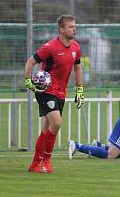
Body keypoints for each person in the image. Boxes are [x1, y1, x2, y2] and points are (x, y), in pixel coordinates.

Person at [25, 14, 84, 173]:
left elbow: (78, 68)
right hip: (46, 91)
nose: (74, 29)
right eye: (71, 26)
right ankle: (47, 161)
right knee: (56, 123)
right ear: (61, 29)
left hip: (61, 93)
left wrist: (80, 90)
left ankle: (35, 164)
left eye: (75, 26)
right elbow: (30, 62)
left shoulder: (76, 48)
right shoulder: (50, 47)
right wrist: (28, 82)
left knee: (46, 129)